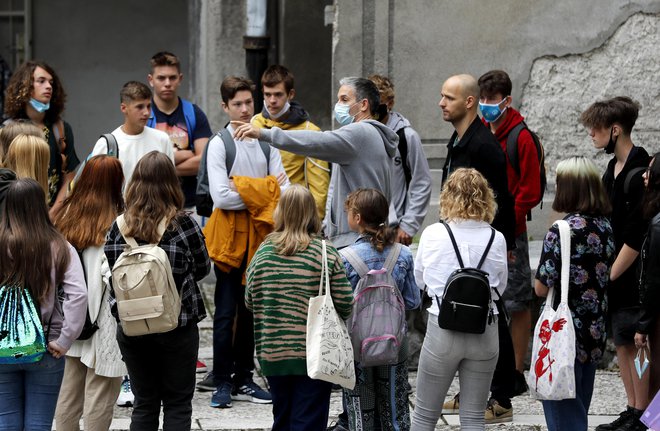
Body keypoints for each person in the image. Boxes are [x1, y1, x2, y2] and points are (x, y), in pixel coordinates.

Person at [104, 151, 210, 430]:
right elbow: (202, 268)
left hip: (132, 326)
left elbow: (112, 271)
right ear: (171, 183)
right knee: (177, 402)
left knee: (145, 402)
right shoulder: (183, 223)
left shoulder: (118, 227)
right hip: (177, 324)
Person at [201, 76, 288, 408]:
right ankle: (222, 379)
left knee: (251, 310)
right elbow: (221, 197)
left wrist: (249, 188)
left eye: (248, 103)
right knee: (224, 313)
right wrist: (266, 188)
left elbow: (285, 190)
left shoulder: (266, 142)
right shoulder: (220, 143)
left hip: (261, 237)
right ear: (224, 106)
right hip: (229, 239)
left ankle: (244, 378)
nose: (243, 109)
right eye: (236, 103)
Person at [232, 76, 398, 249]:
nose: (338, 105)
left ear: (363, 105)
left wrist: (264, 134)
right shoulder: (376, 134)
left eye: (345, 100)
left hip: (355, 239)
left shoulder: (359, 132)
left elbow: (316, 141)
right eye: (338, 99)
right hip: (368, 236)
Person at [439, 73, 517, 421]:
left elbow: (501, 199)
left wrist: (502, 246)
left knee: (492, 316)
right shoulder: (458, 141)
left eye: (449, 98)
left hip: (482, 245)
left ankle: (502, 397)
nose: (442, 103)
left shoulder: (483, 146)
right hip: (461, 241)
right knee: (469, 315)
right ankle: (475, 391)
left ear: (469, 102)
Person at [245, 184, 354, 430]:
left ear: (280, 212)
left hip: (272, 352)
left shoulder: (263, 253)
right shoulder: (325, 253)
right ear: (312, 214)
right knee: (309, 420)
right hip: (315, 354)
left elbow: (249, 301)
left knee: (281, 418)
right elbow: (346, 304)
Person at [411, 168, 508, 430]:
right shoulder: (496, 238)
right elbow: (500, 288)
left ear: (447, 196)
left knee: (424, 416)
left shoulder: (432, 233)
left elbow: (420, 281)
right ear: (486, 198)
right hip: (484, 331)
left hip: (443, 329)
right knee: (474, 417)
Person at [581, 96, 651, 431]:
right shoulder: (612, 170)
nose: (591, 135)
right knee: (622, 341)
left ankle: (644, 412)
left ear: (616, 129)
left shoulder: (639, 172)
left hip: (632, 277)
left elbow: (637, 235)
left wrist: (610, 274)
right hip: (618, 277)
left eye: (596, 128)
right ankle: (632, 408)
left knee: (639, 346)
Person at [534, 156, 615, 431]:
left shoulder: (561, 231)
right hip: (594, 333)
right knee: (580, 405)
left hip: (562, 336)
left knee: (564, 416)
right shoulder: (605, 228)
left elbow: (541, 286)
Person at [0, 178, 87, 430]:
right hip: (47, 346)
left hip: (3, 346)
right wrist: (65, 339)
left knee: (6, 422)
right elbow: (78, 295)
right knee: (39, 423)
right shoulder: (60, 246)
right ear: (41, 206)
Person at [477, 70, 541, 401]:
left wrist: (507, 227)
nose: (486, 106)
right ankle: (495, 370)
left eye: (492, 100)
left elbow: (529, 192)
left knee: (517, 301)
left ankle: (517, 372)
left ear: (507, 101)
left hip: (510, 231)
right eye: (483, 99)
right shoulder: (485, 132)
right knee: (495, 300)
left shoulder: (521, 137)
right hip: (486, 231)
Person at [53, 155, 126, 431]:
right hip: (105, 318)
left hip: (73, 315)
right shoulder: (120, 223)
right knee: (102, 391)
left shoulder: (67, 217)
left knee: (69, 389)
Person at [341, 188, 420, 431]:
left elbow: (341, 305)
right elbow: (413, 301)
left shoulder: (344, 257)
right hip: (395, 344)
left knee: (360, 408)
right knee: (395, 409)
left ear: (357, 218)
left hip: (356, 347)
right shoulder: (403, 254)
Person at [3, 61, 81, 219]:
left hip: (53, 219)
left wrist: (52, 215)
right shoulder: (7, 130)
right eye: (41, 81)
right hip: (16, 217)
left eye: (51, 82)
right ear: (24, 86)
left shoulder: (61, 129)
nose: (49, 86)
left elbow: (70, 179)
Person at [252, 65, 330, 218]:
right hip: (257, 214)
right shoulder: (254, 123)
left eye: (278, 94)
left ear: (291, 94)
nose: (272, 100)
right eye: (267, 94)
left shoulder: (310, 131)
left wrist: (312, 223)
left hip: (292, 217)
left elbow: (319, 188)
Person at [368, 74, 432, 246]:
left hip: (393, 231)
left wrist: (409, 226)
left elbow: (422, 182)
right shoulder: (355, 134)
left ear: (389, 103)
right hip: (358, 229)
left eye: (377, 102)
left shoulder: (406, 137)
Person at [147, 51, 213, 213]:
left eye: (172, 77)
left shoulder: (194, 113)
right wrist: (186, 154)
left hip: (190, 206)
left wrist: (162, 168)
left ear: (180, 79)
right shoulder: (144, 114)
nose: (167, 83)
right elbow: (141, 162)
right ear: (151, 80)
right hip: (152, 206)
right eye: (161, 78)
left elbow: (204, 162)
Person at [89, 81, 174, 188]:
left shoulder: (162, 139)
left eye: (149, 106)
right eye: (139, 107)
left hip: (156, 205)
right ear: (124, 108)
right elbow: (96, 190)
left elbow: (170, 184)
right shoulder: (106, 144)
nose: (146, 112)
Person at [635, 153, 660, 405]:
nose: (644, 175)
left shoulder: (657, 224)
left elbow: (654, 279)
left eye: (650, 171)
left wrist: (643, 325)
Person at [2, 133, 51, 199]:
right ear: (34, 165)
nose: (48, 166)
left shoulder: (5, 188)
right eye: (44, 162)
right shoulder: (22, 196)